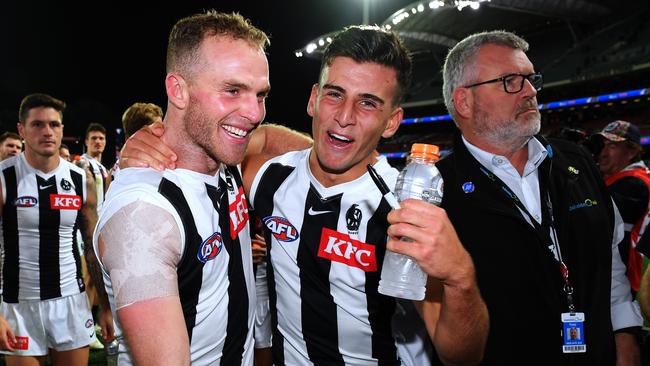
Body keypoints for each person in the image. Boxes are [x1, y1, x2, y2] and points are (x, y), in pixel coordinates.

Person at [121, 25, 489, 365]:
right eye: (335, 94)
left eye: (367, 103)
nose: (344, 116)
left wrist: (462, 278)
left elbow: (461, 355)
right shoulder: (270, 175)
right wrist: (153, 139)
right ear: (314, 99)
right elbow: (240, 137)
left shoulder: (402, 208)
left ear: (391, 122)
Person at [93, 11, 308, 365]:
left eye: (260, 94)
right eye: (232, 90)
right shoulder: (143, 214)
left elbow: (269, 139)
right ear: (179, 90)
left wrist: (365, 159)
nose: (254, 113)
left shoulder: (223, 155)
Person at [439, 30, 642, 364]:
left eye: (531, 79)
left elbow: (609, 257)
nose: (531, 91)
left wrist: (625, 334)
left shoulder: (577, 163)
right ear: (464, 101)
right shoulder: (435, 192)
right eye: (510, 81)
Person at [0, 93, 113, 365]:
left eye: (54, 124)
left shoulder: (79, 179)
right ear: (22, 130)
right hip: (19, 305)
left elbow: (92, 245)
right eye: (37, 124)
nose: (47, 132)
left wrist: (106, 307)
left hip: (70, 303)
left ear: (62, 128)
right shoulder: (4, 177)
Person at [594, 121, 650, 297]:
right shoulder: (620, 180)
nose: (602, 153)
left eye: (612, 146)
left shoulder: (633, 183)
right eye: (601, 145)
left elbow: (598, 228)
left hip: (623, 279)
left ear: (632, 151)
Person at [81, 122, 110, 207]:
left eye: (101, 138)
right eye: (94, 138)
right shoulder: (82, 162)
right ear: (86, 141)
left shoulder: (104, 169)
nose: (98, 141)